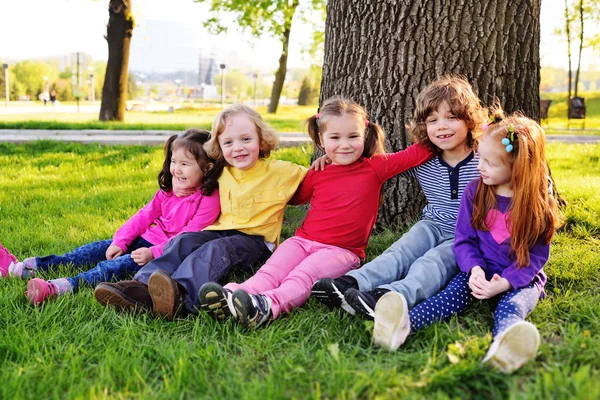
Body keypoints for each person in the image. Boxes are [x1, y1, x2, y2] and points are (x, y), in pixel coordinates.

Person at [197, 97, 434, 328]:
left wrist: (437, 127)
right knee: (269, 272)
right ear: (321, 139)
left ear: (365, 135)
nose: (344, 145)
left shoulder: (376, 167)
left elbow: (415, 154)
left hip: (341, 251)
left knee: (301, 276)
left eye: (353, 137)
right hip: (301, 241)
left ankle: (267, 306)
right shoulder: (318, 172)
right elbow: (295, 197)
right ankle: (233, 295)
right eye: (335, 138)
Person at [372, 108, 561, 374]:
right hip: (479, 270)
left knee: (512, 306)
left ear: (519, 167)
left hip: (519, 278)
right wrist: (474, 270)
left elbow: (536, 258)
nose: (479, 166)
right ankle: (401, 326)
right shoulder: (476, 191)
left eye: (489, 163)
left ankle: (505, 347)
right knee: (449, 296)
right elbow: (464, 239)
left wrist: (506, 282)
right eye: (480, 158)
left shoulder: (537, 204)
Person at [94, 104, 307, 320]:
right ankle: (140, 287)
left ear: (261, 139)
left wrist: (324, 161)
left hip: (256, 240)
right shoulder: (223, 171)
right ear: (219, 147)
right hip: (220, 229)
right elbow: (191, 178)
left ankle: (182, 295)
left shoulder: (281, 170)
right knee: (186, 240)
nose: (238, 148)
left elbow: (315, 181)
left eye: (246, 139)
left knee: (215, 249)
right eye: (228, 142)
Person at [311, 75, 485, 319]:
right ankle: (351, 283)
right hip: (433, 224)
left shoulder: (484, 159)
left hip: (468, 234)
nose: (441, 126)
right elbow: (375, 165)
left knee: (432, 264)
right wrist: (333, 160)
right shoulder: (424, 159)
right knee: (401, 251)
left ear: (469, 120)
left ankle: (388, 297)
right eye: (433, 120)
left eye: (452, 117)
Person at [10, 129, 221, 306]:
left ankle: (58, 287)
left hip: (161, 253)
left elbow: (188, 235)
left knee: (111, 268)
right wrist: (121, 241)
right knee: (88, 252)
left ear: (207, 168)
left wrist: (153, 253)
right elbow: (143, 216)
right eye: (174, 161)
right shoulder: (169, 190)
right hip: (144, 241)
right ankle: (30, 267)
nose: (176, 170)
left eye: (185, 164)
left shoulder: (209, 198)